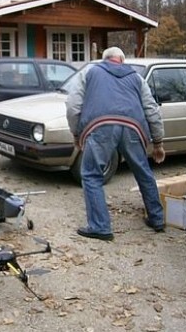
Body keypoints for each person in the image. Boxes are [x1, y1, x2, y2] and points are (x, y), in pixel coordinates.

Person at [65, 46, 166, 241]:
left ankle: (100, 227)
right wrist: (158, 142)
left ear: (105, 59)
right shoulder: (137, 78)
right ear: (122, 60)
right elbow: (152, 109)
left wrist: (76, 134)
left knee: (92, 175)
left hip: (100, 126)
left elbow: (72, 105)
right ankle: (157, 219)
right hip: (133, 128)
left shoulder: (90, 72)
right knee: (143, 172)